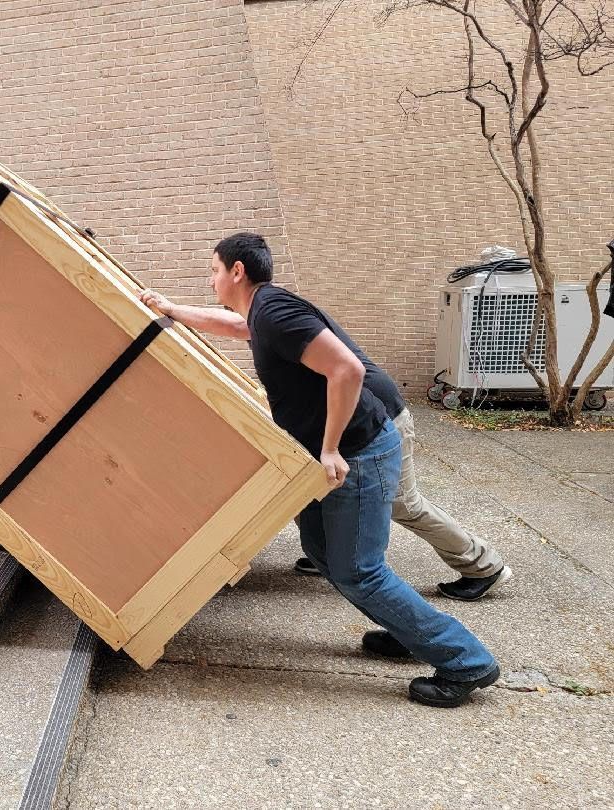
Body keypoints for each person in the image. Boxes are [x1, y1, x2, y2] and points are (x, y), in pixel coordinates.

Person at [140, 232, 499, 707]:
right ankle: (414, 631)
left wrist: (329, 449)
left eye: (213, 270)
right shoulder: (262, 313)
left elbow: (346, 370)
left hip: (358, 454)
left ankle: (464, 661)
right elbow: (232, 326)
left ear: (237, 272)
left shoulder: (276, 312)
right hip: (340, 453)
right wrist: (171, 309)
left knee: (360, 571)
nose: (211, 280)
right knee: (322, 551)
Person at [291, 332, 513, 601]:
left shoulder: (277, 319)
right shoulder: (269, 321)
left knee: (402, 503)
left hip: (379, 419)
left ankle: (483, 566)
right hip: (346, 423)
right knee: (316, 485)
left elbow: (345, 373)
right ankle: (328, 556)